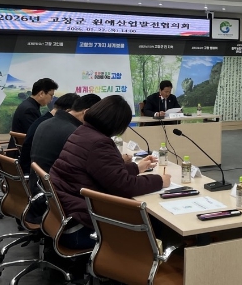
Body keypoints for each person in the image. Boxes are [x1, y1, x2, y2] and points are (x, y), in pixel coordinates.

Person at [51, 95, 170, 249]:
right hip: (81, 225)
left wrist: (136, 168)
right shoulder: (99, 143)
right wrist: (160, 181)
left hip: (66, 215)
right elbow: (124, 186)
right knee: (154, 220)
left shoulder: (83, 132)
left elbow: (105, 172)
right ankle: (148, 260)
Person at [29, 93, 102, 193]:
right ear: (86, 112)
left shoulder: (45, 123)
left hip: (38, 187)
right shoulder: (75, 133)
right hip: (55, 193)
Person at [19, 92, 80, 174]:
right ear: (69, 111)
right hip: (36, 173)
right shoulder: (60, 127)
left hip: (34, 171)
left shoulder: (43, 122)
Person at [10, 78, 58, 148]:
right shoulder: (29, 110)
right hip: (21, 152)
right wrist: (51, 115)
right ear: (41, 94)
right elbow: (36, 134)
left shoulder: (29, 105)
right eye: (51, 95)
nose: (52, 99)